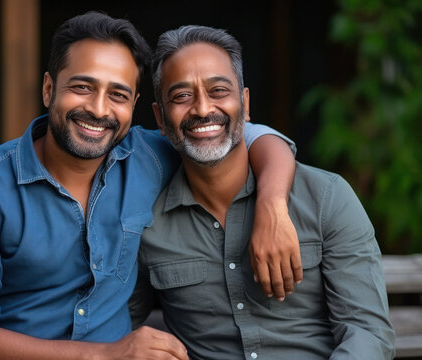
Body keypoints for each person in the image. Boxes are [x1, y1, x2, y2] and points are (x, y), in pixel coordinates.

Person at [0, 12, 301, 360]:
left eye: (118, 95)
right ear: (49, 89)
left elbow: (245, 133)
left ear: (135, 106)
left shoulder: (148, 155)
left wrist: (271, 204)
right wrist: (105, 355)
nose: (98, 109)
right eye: (82, 87)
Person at [129, 24, 396, 360]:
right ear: (160, 118)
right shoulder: (145, 222)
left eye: (218, 91)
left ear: (245, 102)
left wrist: (272, 204)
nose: (201, 109)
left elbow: (368, 333)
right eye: (181, 96)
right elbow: (118, 326)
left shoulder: (326, 198)